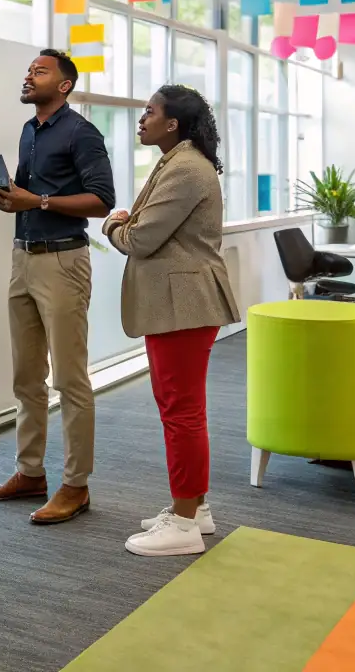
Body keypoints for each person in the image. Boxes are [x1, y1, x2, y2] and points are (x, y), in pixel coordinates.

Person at [0, 50, 115, 524]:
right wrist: (2, 194)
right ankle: (30, 473)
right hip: (23, 257)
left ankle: (76, 485)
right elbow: (29, 194)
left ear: (66, 85)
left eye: (40, 71)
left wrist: (40, 200)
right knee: (26, 377)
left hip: (63, 261)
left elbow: (102, 200)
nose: (29, 76)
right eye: (30, 70)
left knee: (70, 379)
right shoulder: (30, 130)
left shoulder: (82, 133)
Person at [104, 86, 240, 557]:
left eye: (150, 112)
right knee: (179, 408)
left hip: (183, 303)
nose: (141, 119)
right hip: (177, 303)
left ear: (173, 124)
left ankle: (183, 525)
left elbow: (140, 239)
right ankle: (194, 510)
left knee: (180, 412)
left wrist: (112, 225)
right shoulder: (177, 161)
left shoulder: (185, 168)